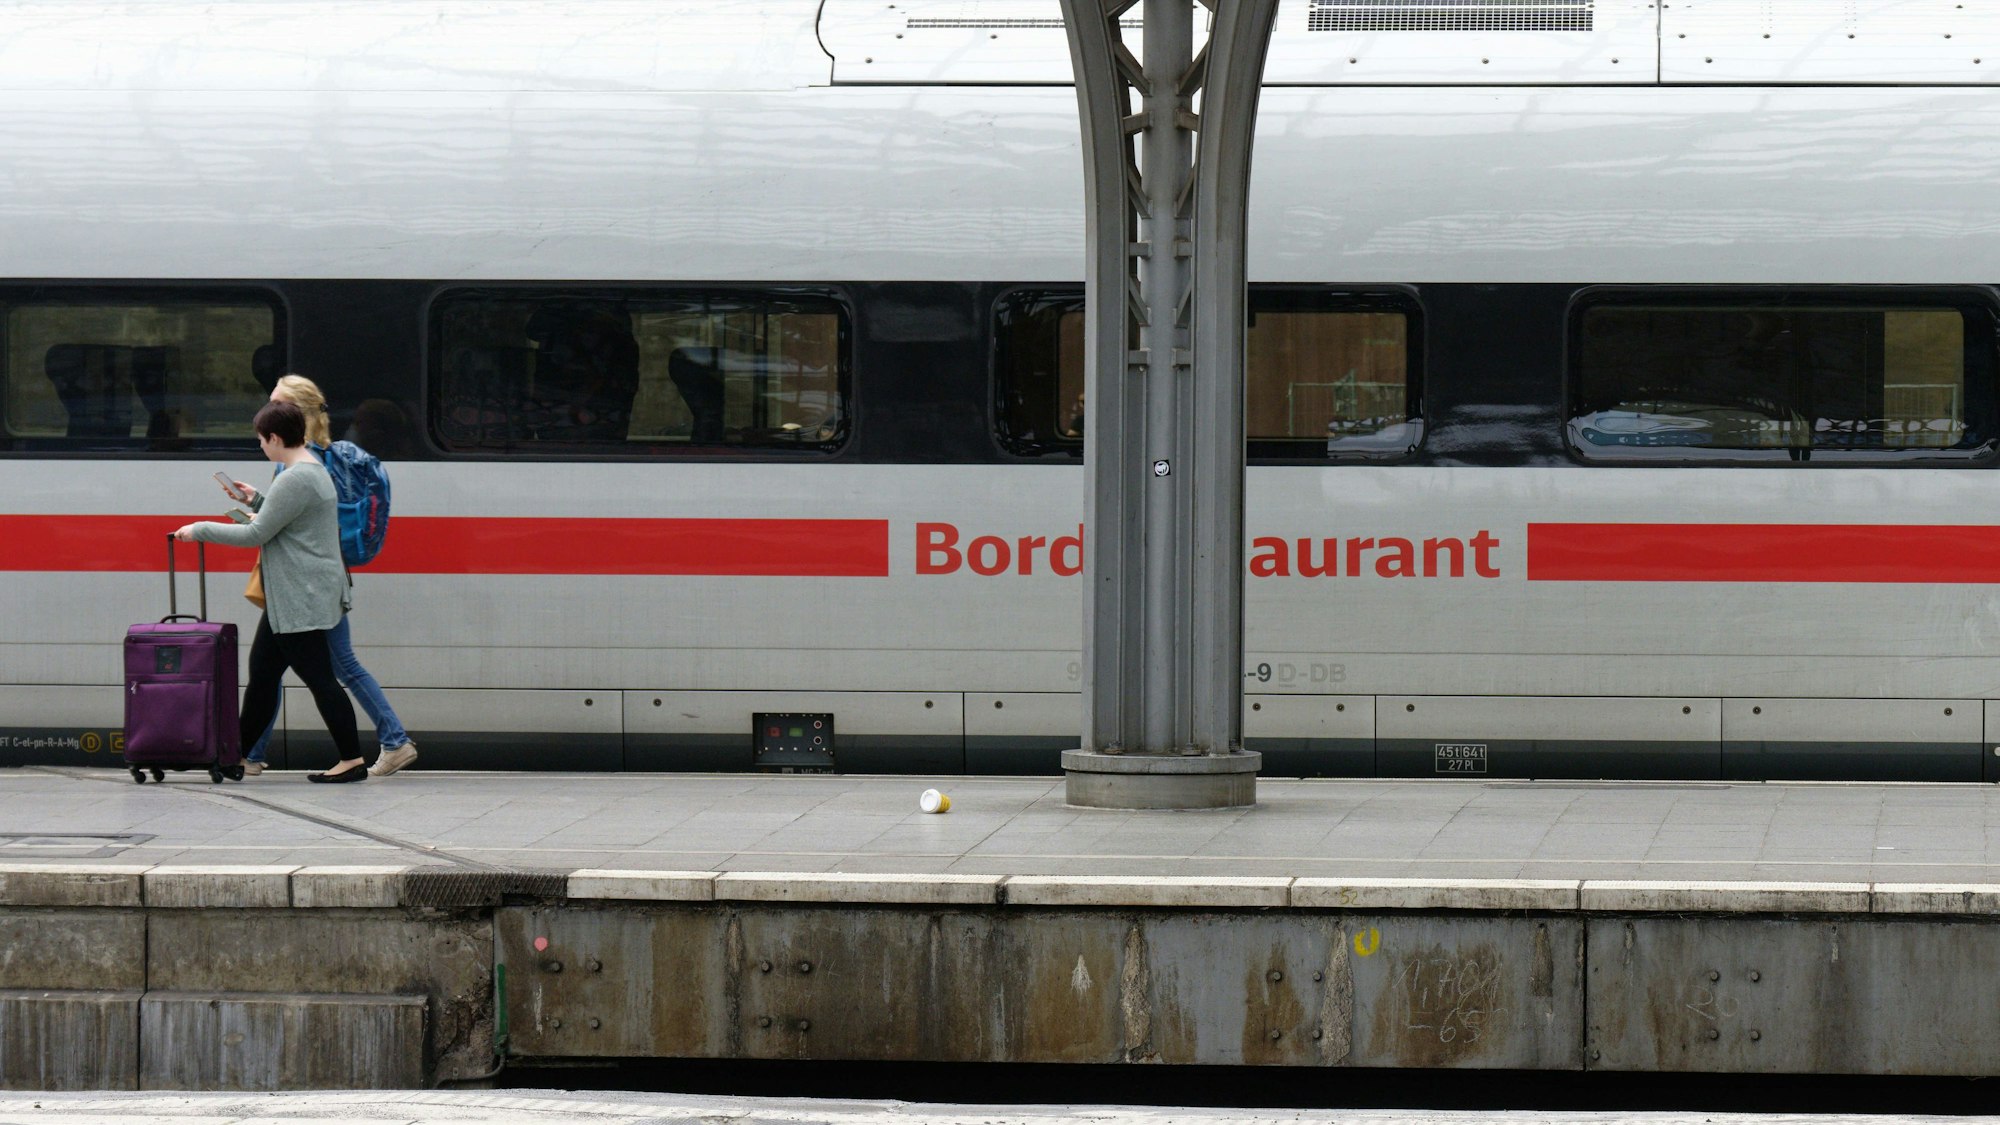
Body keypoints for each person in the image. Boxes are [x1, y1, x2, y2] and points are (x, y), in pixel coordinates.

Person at [174, 400, 365, 783]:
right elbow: (289, 521)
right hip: (294, 595)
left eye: (262, 440)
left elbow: (256, 534)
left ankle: (351, 760)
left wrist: (200, 529)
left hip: (300, 597)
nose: (261, 446)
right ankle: (237, 757)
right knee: (262, 674)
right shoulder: (310, 468)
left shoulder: (296, 477)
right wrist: (256, 500)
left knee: (320, 679)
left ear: (276, 438)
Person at [237, 375, 418, 778]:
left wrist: (205, 528)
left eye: (275, 404)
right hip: (316, 577)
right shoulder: (316, 457)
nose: (265, 413)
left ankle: (391, 741)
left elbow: (276, 527)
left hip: (305, 584)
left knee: (329, 668)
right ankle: (249, 753)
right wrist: (258, 501)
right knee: (274, 669)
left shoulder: (301, 463)